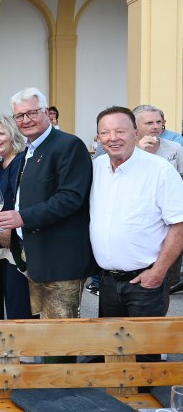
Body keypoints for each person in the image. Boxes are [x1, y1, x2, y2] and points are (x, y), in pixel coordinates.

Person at [0, 87, 95, 327]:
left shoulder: (68, 145)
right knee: (43, 332)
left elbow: (71, 198)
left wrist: (22, 218)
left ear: (48, 113)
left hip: (61, 261)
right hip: (35, 258)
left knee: (61, 334)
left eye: (32, 113)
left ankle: (62, 367)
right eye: (20, 116)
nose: (26, 120)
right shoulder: (28, 150)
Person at [90, 106, 183, 330]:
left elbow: (179, 225)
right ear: (98, 137)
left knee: (145, 357)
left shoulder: (159, 170)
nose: (113, 138)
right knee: (112, 352)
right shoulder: (95, 168)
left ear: (135, 132)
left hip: (145, 282)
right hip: (108, 282)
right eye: (105, 132)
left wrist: (158, 273)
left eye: (120, 131)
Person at [0, 114, 33, 320]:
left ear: (12, 133)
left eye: (1, 133)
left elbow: (23, 200)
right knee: (3, 297)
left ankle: (25, 350)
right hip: (0, 244)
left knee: (19, 302)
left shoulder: (21, 162)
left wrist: (9, 229)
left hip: (15, 241)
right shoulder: (0, 163)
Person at [132, 104, 183, 294]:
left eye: (159, 122)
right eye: (150, 123)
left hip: (169, 217)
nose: (156, 126)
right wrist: (141, 153)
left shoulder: (175, 147)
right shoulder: (127, 148)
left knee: (167, 274)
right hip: (140, 218)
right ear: (135, 127)